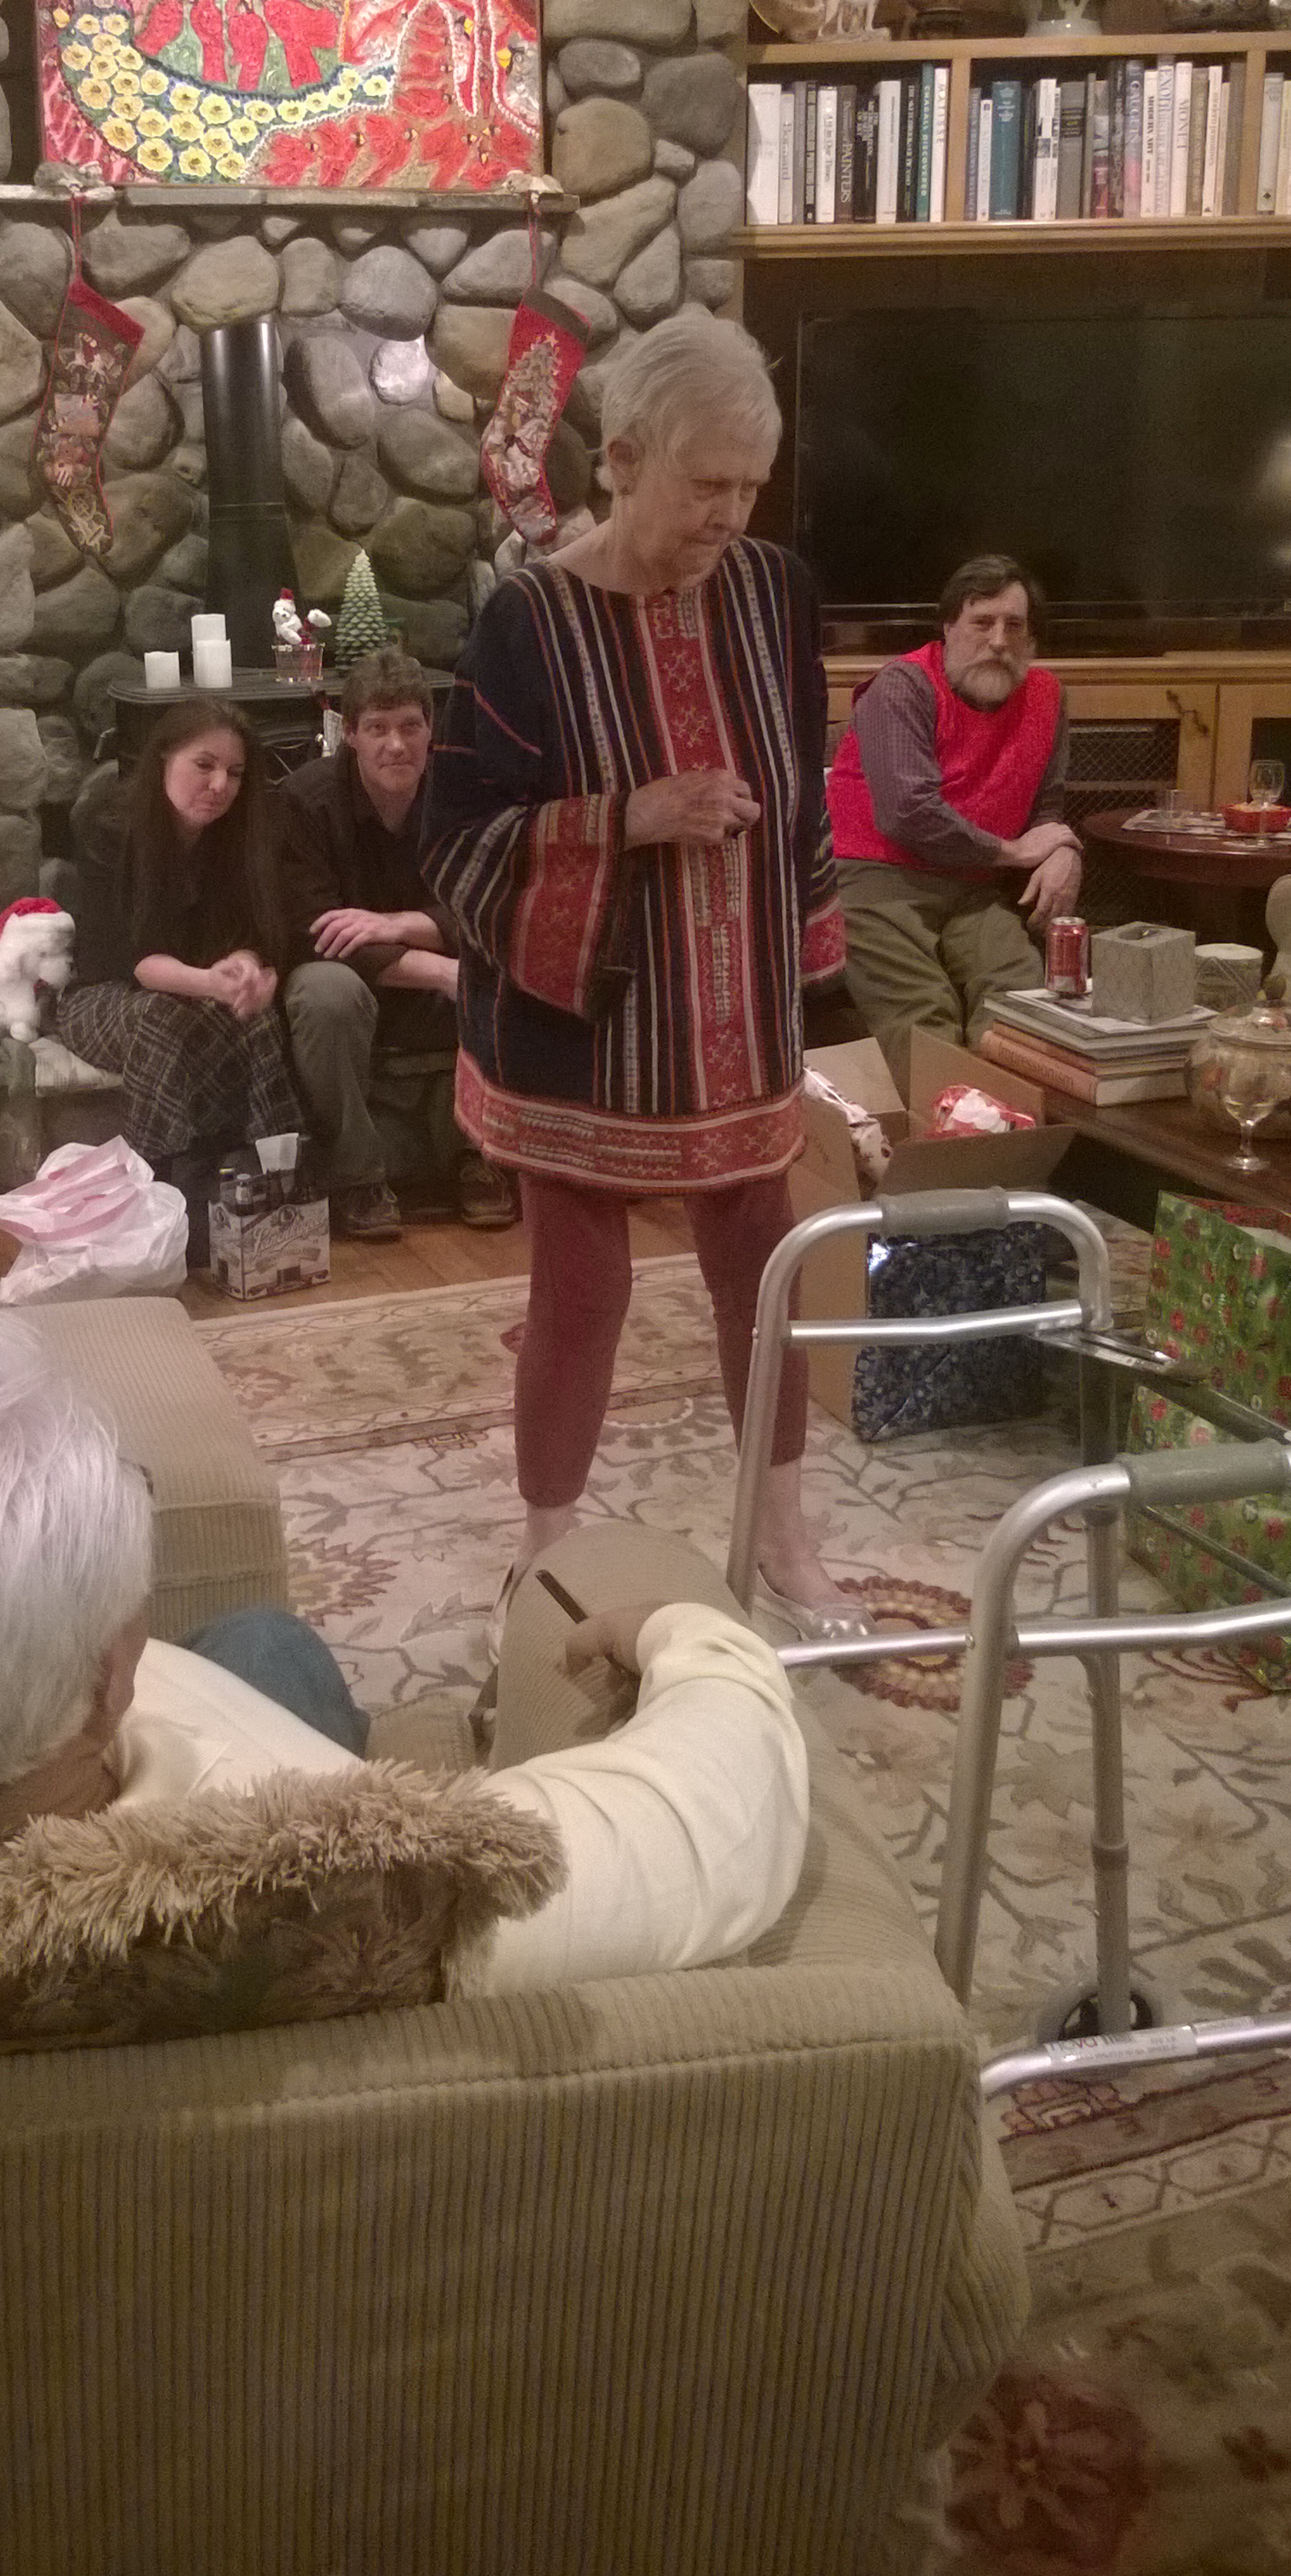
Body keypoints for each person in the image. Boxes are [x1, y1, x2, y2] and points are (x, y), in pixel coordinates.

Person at [0, 1315, 810, 1998]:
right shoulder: (369, 1891)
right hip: (215, 1787)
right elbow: (717, 1814)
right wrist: (680, 1630)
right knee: (266, 1643)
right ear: (109, 1683)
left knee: (254, 1641)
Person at [422, 310, 868, 1647]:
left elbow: (801, 782)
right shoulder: (526, 623)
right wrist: (632, 816)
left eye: (751, 487)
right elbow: (456, 838)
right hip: (582, 1034)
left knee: (764, 1269)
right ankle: (548, 1551)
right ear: (621, 461)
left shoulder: (777, 592)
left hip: (739, 1020)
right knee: (584, 1292)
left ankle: (781, 1531)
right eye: (705, 483)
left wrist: (810, 964)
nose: (730, 515)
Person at [280, 648, 517, 1242]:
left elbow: (493, 904)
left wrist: (402, 924)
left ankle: (477, 1155)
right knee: (323, 991)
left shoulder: (462, 797)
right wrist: (438, 970)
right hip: (347, 980)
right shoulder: (305, 802)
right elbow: (313, 929)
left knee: (504, 961)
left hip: (432, 961)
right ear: (349, 734)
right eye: (378, 728)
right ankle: (358, 1179)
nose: (396, 745)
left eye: (411, 726)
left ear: (431, 731)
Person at [827, 554, 1081, 1098]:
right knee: (923, 1013)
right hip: (877, 878)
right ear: (948, 628)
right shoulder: (902, 686)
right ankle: (954, 1135)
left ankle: (1010, 1130)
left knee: (1018, 1001)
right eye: (982, 622)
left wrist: (1064, 849)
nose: (999, 641)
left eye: (1015, 626)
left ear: (1033, 640)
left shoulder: (1048, 697)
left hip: (974, 885)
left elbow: (1047, 808)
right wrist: (1014, 853)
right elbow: (907, 813)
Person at [56, 694, 300, 1184]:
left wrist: (245, 966)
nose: (220, 785)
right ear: (165, 758)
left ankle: (277, 1174)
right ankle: (159, 1180)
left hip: (193, 994)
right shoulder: (111, 828)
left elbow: (253, 933)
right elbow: (135, 961)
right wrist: (213, 983)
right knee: (161, 1017)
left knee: (255, 1020)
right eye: (204, 765)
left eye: (234, 773)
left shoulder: (239, 836)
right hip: (103, 996)